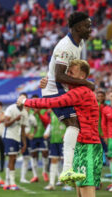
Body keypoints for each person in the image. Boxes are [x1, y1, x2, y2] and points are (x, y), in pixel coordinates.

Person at [18, 59, 102, 197]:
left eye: (71, 72)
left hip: (88, 145)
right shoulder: (77, 90)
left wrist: (26, 101)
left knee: (86, 188)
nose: (67, 75)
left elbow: (55, 101)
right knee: (80, 190)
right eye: (67, 72)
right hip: (83, 143)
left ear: (82, 76)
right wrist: (46, 85)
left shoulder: (81, 91)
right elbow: (56, 93)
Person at [41, 11, 93, 181]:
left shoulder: (79, 43)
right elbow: (59, 76)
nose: (90, 28)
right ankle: (67, 170)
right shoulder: (65, 47)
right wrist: (86, 83)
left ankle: (71, 167)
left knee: (78, 125)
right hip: (54, 89)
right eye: (87, 25)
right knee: (74, 124)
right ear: (78, 27)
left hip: (63, 89)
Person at [2, 93, 28, 190]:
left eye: (24, 98)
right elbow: (5, 124)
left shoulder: (25, 112)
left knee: (13, 159)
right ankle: (12, 183)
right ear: (18, 99)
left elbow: (23, 129)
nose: (21, 99)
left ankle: (7, 182)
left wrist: (24, 143)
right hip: (8, 136)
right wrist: (15, 119)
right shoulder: (10, 108)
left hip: (17, 138)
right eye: (20, 97)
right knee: (12, 158)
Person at [28, 95, 50, 183]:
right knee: (33, 155)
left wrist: (38, 113)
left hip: (42, 136)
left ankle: (44, 172)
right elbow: (26, 122)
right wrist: (33, 113)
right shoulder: (29, 111)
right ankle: (35, 175)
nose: (35, 103)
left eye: (36, 101)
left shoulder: (44, 110)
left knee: (45, 153)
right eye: (33, 101)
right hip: (32, 137)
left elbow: (47, 121)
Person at [43, 110, 66, 190]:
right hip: (54, 140)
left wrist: (67, 133)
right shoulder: (52, 113)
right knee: (53, 160)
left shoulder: (65, 111)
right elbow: (51, 124)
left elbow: (71, 123)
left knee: (65, 161)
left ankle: (68, 183)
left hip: (64, 141)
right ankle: (52, 184)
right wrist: (47, 132)